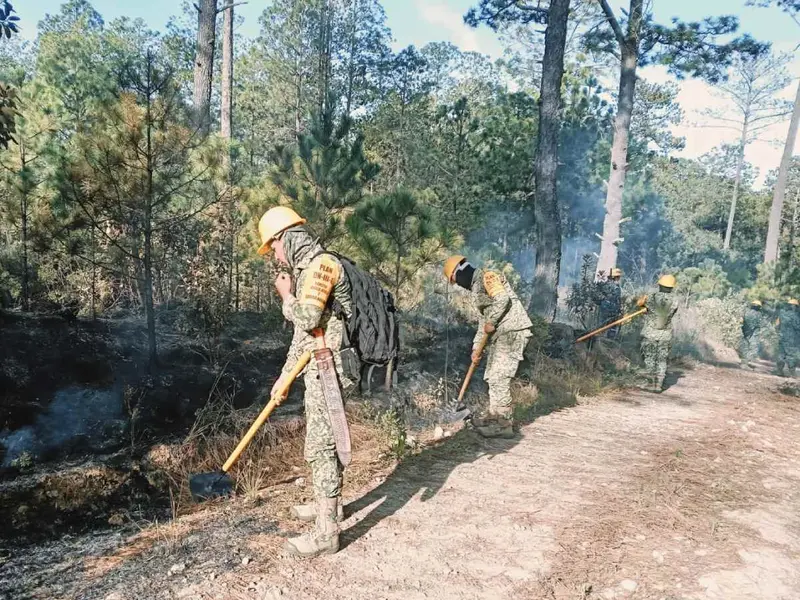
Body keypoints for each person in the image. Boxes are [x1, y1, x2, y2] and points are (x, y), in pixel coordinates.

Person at [257, 206, 357, 558]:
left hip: (332, 369)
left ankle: (327, 534)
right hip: (320, 364)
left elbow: (309, 316)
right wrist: (285, 377)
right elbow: (306, 334)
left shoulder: (321, 266)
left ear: (284, 238)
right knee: (322, 442)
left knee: (321, 446)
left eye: (274, 248)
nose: (276, 256)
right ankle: (330, 506)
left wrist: (286, 296)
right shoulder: (310, 268)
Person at [443, 255, 533, 438]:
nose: (459, 285)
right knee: (492, 377)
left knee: (499, 378)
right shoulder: (476, 289)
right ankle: (494, 419)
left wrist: (491, 321)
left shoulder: (488, 276)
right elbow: (483, 323)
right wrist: (476, 348)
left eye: (456, 281)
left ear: (460, 272)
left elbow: (502, 299)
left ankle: (503, 425)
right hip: (500, 336)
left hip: (512, 332)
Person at [639, 274, 679, 392]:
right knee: (662, 359)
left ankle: (650, 383)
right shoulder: (675, 301)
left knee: (650, 358)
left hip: (650, 333)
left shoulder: (651, 297)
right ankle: (659, 385)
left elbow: (640, 304)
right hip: (665, 335)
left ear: (660, 285)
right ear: (672, 287)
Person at [776, 298, 800, 378]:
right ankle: (792, 373)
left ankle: (779, 370)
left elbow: (777, 326)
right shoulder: (796, 317)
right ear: (795, 307)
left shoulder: (782, 314)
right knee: (791, 355)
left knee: (781, 354)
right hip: (792, 339)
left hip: (782, 337)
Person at [740, 300, 765, 369]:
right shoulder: (759, 314)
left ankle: (743, 363)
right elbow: (762, 325)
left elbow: (741, 321)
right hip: (753, 335)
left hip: (745, 333)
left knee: (745, 348)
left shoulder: (745, 312)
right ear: (759, 307)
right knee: (754, 349)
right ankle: (745, 363)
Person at [599, 267, 623, 339]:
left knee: (603, 325)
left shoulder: (606, 284)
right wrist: (618, 309)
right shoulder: (615, 287)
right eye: (618, 277)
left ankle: (602, 338)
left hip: (605, 308)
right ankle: (609, 340)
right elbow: (616, 299)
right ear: (615, 277)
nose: (619, 278)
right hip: (611, 309)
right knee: (612, 326)